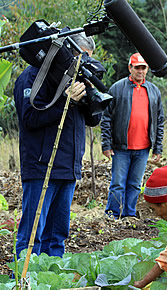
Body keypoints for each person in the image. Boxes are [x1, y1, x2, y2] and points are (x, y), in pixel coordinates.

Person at [14, 32, 101, 257]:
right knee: (34, 233)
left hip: (68, 167)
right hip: (41, 167)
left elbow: (93, 120)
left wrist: (90, 97)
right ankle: (26, 278)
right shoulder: (33, 76)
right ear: (67, 52)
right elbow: (30, 119)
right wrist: (65, 100)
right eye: (80, 57)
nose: (83, 64)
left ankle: (53, 276)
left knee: (58, 234)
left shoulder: (77, 80)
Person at [100, 52, 164, 219]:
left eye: (143, 68)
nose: (140, 71)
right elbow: (106, 118)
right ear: (130, 68)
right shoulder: (117, 88)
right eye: (137, 68)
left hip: (143, 148)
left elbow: (160, 120)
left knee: (135, 184)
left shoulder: (154, 91)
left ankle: (128, 214)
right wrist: (106, 145)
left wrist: (158, 147)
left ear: (147, 69)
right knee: (117, 184)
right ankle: (113, 214)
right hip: (121, 147)